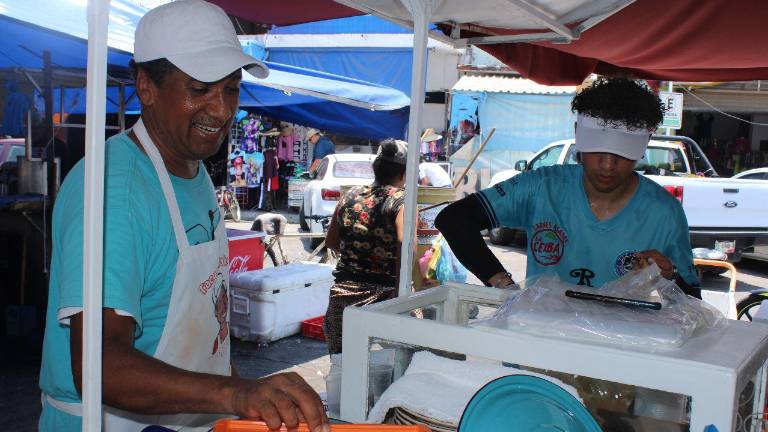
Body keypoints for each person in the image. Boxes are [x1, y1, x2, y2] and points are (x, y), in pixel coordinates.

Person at [38, 2, 329, 431]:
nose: (223, 110)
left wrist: (248, 395)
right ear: (146, 86)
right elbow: (100, 365)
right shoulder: (113, 189)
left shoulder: (193, 171)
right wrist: (238, 394)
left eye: (230, 89)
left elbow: (197, 331)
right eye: (200, 88)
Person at [435, 77, 700, 298]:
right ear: (577, 133)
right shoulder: (542, 187)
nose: (607, 164)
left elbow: (691, 300)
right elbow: (454, 219)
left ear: (645, 144)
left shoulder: (664, 213)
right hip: (538, 344)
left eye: (621, 153)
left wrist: (669, 276)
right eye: (596, 149)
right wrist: (506, 288)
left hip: (617, 350)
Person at [323, 139, 407, 354]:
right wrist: (400, 289)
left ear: (375, 168)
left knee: (343, 370)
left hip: (343, 299)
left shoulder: (349, 196)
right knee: (405, 366)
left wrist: (361, 252)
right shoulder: (401, 201)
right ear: (404, 173)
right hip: (386, 298)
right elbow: (404, 244)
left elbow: (331, 242)